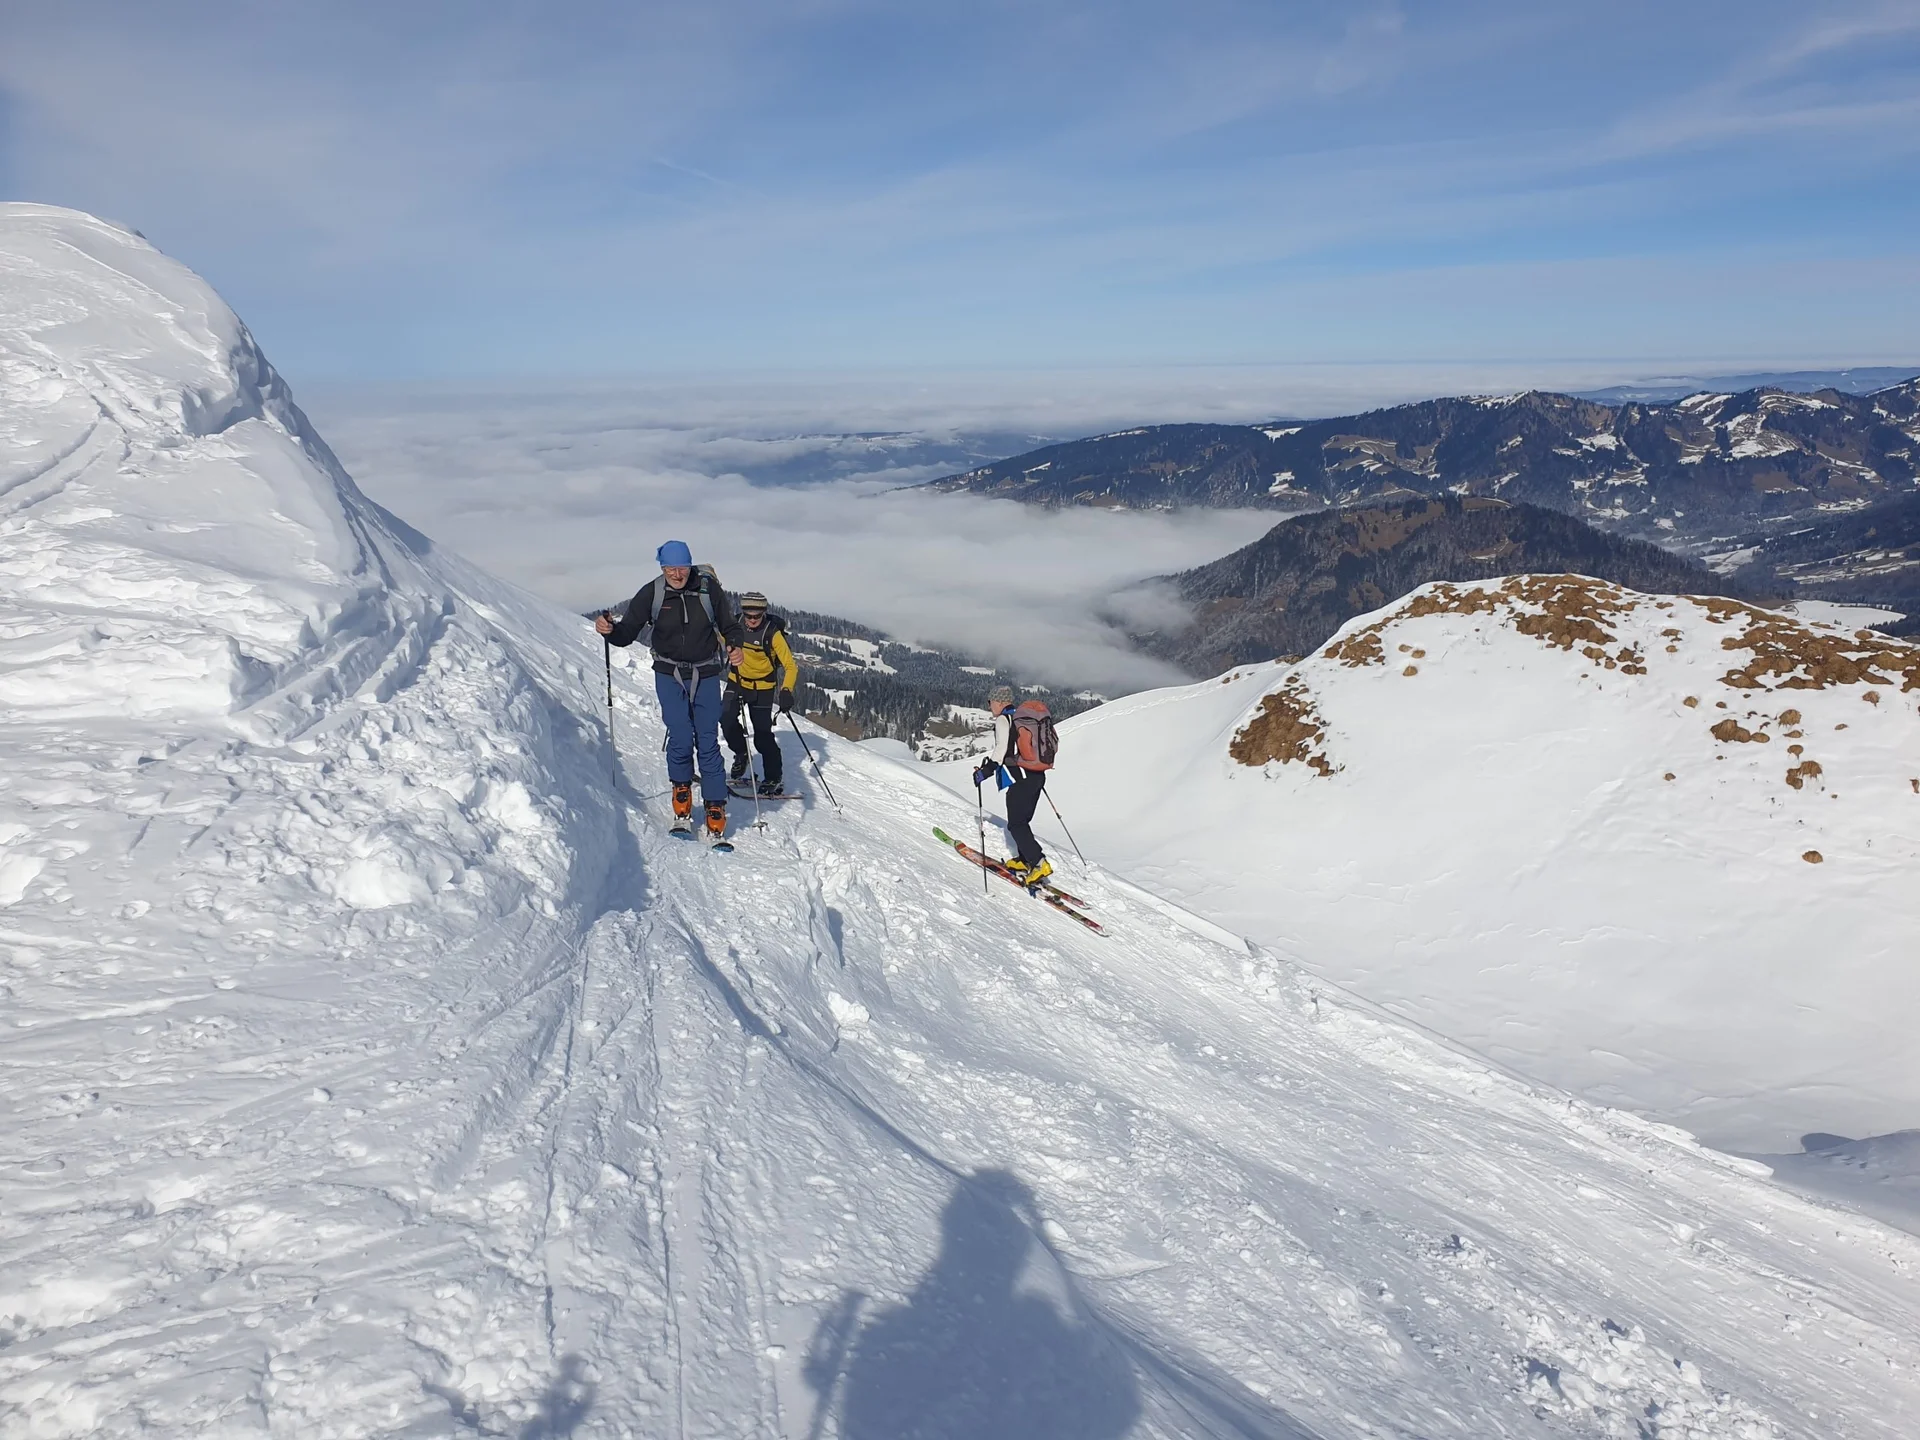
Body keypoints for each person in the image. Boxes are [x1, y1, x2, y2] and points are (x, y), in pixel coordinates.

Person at [596, 541, 746, 838]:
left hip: (705, 672)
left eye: (682, 568)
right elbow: (627, 633)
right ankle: (681, 790)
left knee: (707, 739)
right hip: (668, 672)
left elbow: (730, 625)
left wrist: (735, 646)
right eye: (670, 569)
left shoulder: (708, 589)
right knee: (679, 733)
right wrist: (610, 631)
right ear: (662, 568)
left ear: (691, 565)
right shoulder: (652, 592)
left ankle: (715, 803)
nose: (677, 575)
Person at [973, 685, 1053, 886]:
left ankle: (1039, 863)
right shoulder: (1019, 717)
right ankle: (1025, 859)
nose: (989, 706)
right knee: (1022, 821)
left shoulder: (1003, 719)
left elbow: (1001, 750)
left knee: (1016, 824)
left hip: (1021, 779)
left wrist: (985, 772)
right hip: (1036, 776)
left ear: (999, 702)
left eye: (990, 702)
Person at [721, 591, 799, 796]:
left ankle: (774, 776)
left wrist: (786, 690)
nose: (753, 620)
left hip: (763, 687)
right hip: (737, 681)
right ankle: (741, 753)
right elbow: (718, 637)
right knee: (725, 718)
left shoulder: (772, 634)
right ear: (743, 613)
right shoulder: (735, 624)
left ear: (764, 613)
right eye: (749, 615)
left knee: (762, 736)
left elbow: (791, 666)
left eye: (757, 616)